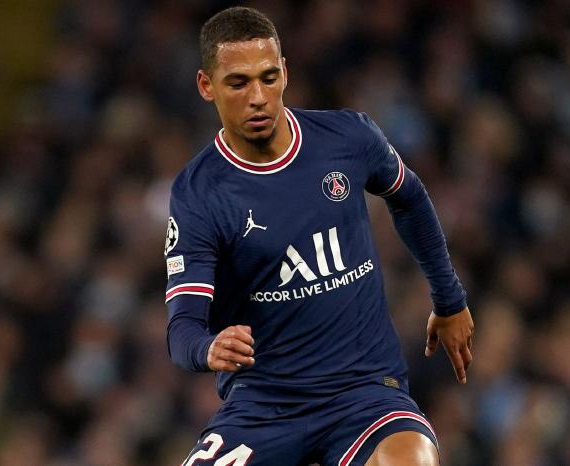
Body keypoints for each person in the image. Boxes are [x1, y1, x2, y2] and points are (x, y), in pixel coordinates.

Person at [164, 6, 474, 466]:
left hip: (364, 395)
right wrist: (208, 348)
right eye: (238, 83)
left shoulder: (347, 138)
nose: (258, 97)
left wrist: (449, 300)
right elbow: (182, 329)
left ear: (285, 73)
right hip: (264, 408)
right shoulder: (198, 194)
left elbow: (408, 197)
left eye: (269, 78)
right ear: (206, 86)